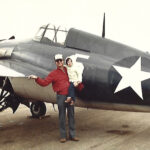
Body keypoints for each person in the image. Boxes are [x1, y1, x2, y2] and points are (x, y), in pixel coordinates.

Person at [29, 54, 79, 143]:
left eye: (60, 60)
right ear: (55, 63)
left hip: (70, 96)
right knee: (62, 117)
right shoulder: (53, 74)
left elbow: (76, 74)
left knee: (71, 116)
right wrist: (36, 78)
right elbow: (44, 83)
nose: (59, 62)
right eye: (57, 61)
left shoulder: (68, 70)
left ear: (63, 61)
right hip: (61, 97)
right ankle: (63, 136)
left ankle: (73, 135)